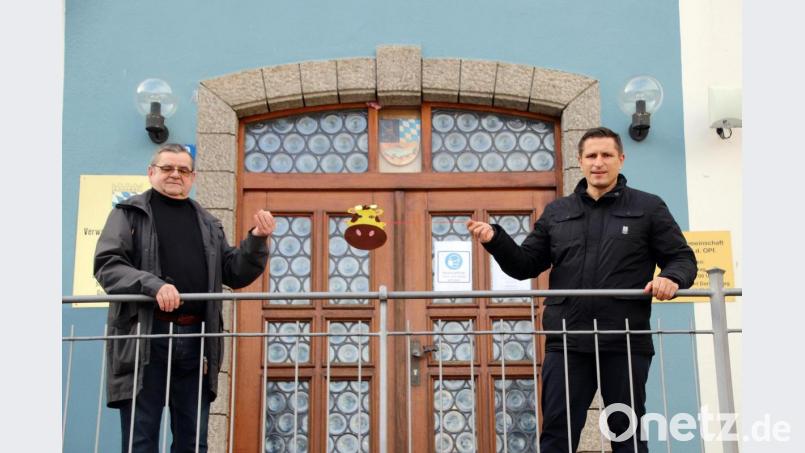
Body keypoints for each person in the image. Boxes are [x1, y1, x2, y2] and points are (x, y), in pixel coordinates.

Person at [467, 127, 697, 453]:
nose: (598, 162)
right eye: (591, 156)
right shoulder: (558, 212)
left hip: (624, 339)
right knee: (557, 434)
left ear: (621, 159)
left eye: (606, 155)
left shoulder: (648, 207)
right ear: (580, 161)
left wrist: (671, 278)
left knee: (626, 432)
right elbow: (524, 265)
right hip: (567, 341)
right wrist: (497, 240)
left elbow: (682, 258)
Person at [94, 143, 275, 453]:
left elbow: (233, 272)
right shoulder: (128, 214)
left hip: (196, 339)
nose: (175, 174)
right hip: (145, 337)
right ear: (151, 172)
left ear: (193, 177)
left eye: (183, 170)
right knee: (141, 438)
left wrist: (257, 239)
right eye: (167, 168)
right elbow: (108, 265)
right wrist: (153, 286)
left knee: (193, 441)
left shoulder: (208, 223)